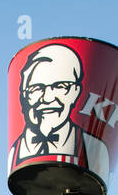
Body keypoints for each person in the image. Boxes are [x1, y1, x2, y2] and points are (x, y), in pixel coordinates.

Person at [8, 42, 110, 177]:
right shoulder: (14, 152)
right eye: (37, 88)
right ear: (26, 96)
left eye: (60, 86)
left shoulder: (94, 149)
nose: (48, 98)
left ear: (75, 92)